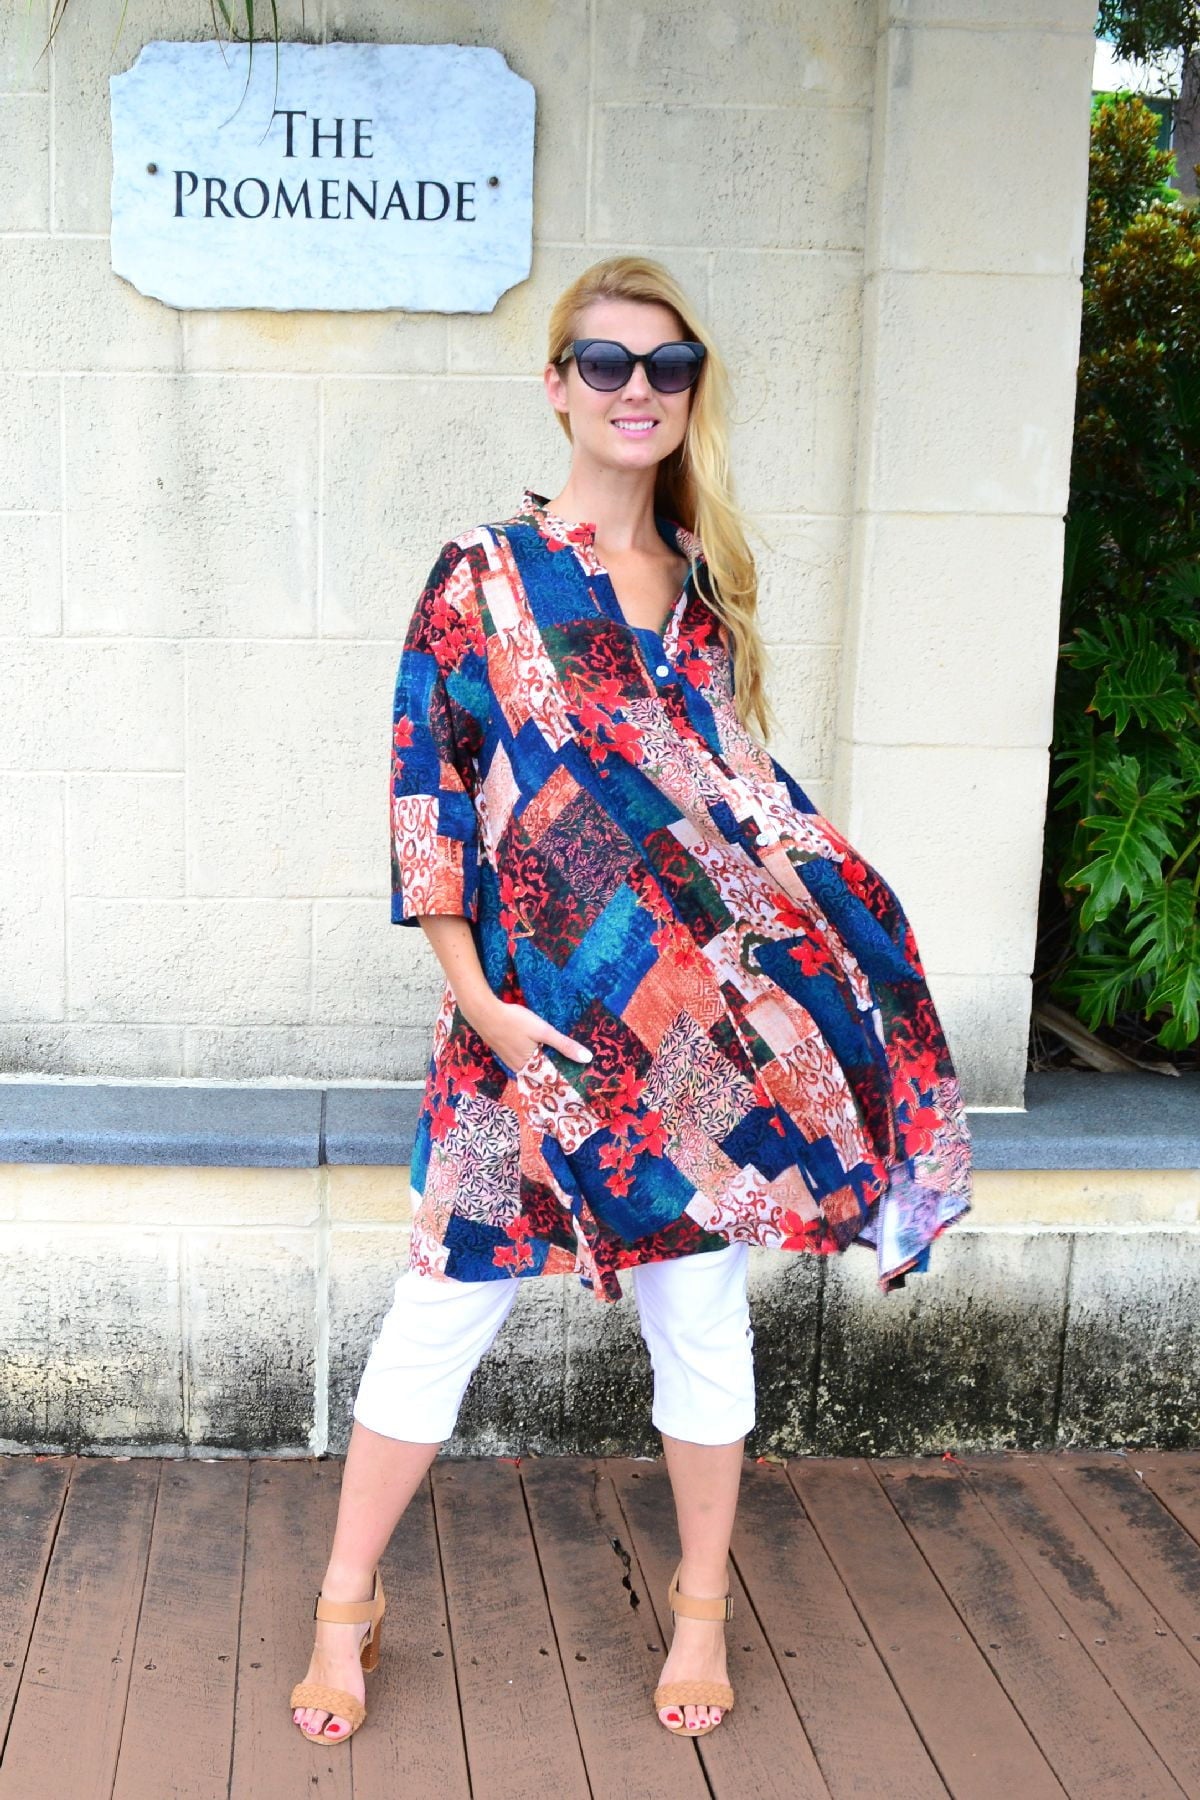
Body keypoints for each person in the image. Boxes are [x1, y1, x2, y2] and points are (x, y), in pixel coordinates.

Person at [290, 254, 974, 1749]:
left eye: (668, 366)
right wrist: (476, 998)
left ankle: (703, 1602)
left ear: (691, 389)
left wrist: (833, 953)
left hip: (687, 1043)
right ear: (559, 388)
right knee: (439, 1309)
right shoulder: (485, 574)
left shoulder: (705, 587)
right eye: (606, 363)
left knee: (702, 1319)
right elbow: (429, 793)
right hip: (522, 1032)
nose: (638, 390)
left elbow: (733, 817)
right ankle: (347, 1601)